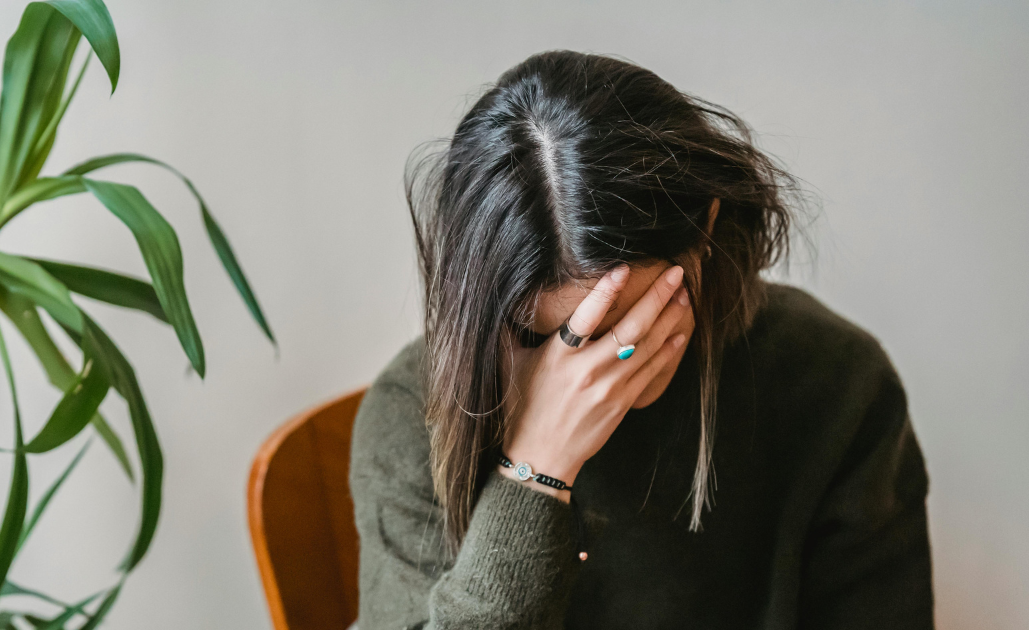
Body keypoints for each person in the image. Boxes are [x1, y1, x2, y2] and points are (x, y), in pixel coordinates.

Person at [349, 50, 933, 629]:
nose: (594, 373)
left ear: (706, 225)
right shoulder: (411, 416)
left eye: (631, 322)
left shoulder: (836, 381)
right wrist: (535, 470)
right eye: (545, 337)